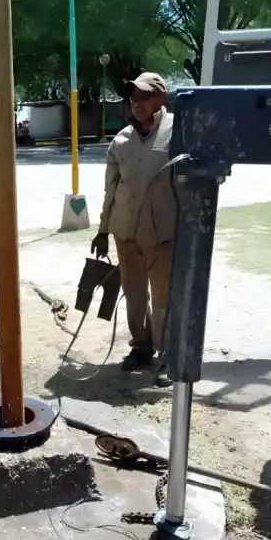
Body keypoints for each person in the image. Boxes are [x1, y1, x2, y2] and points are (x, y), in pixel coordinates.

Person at [90, 72, 176, 388]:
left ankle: (168, 356)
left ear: (160, 97)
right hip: (125, 234)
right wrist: (102, 230)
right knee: (135, 297)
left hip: (163, 234)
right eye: (132, 98)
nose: (136, 104)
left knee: (165, 299)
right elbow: (110, 191)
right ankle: (141, 348)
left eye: (143, 97)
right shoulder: (121, 141)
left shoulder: (178, 133)